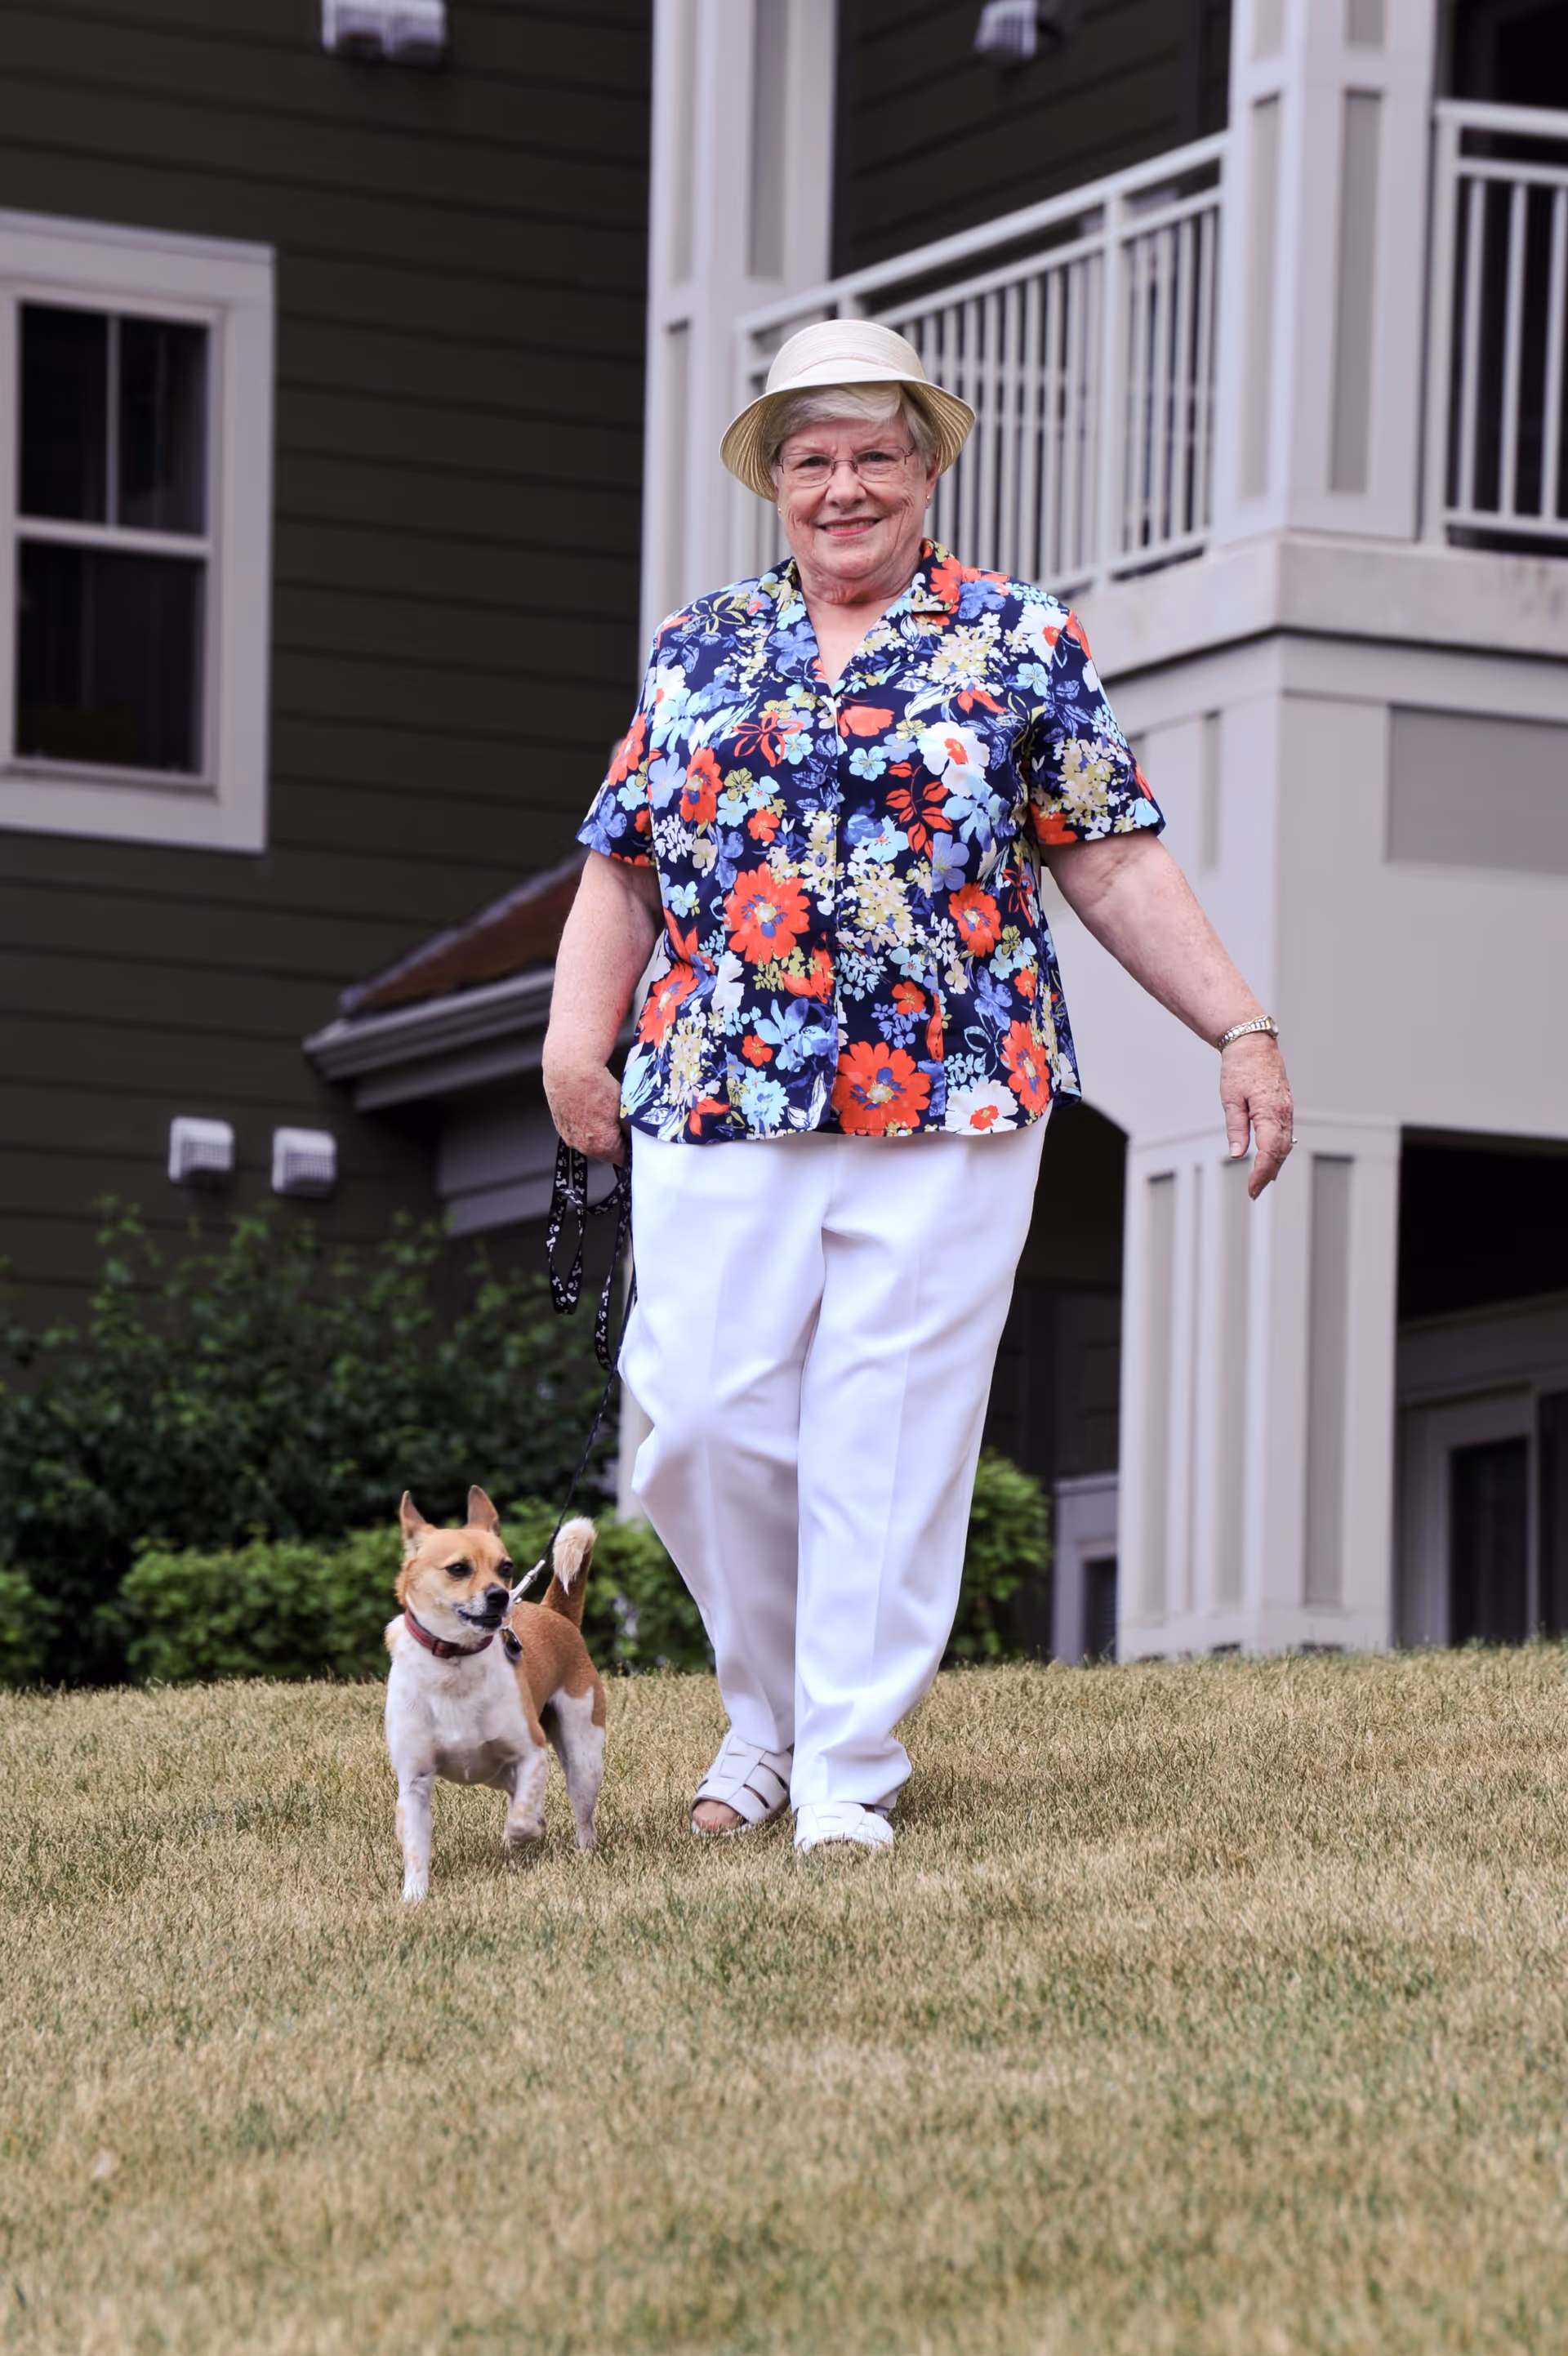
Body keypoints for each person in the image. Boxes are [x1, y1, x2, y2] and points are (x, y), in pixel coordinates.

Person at [542, 319, 1293, 1856]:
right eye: (811, 461)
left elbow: (1113, 853)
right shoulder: (698, 649)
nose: (843, 489)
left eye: (876, 455)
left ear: (930, 467)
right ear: (773, 482)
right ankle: (768, 1709)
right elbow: (623, 868)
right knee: (690, 1417)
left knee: (893, 1424)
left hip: (949, 1092)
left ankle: (842, 1767)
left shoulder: (1018, 643)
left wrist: (1241, 1027)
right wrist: (574, 1040)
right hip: (715, 1078)